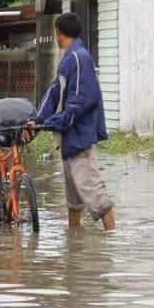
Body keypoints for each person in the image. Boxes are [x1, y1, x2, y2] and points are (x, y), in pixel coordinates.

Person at [26, 12, 116, 231]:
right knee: (74, 202)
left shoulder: (78, 57)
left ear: (58, 32)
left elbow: (81, 101)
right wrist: (37, 120)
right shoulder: (68, 59)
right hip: (69, 139)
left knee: (97, 197)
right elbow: (54, 93)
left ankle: (113, 240)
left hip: (80, 137)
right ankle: (73, 247)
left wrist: (56, 121)